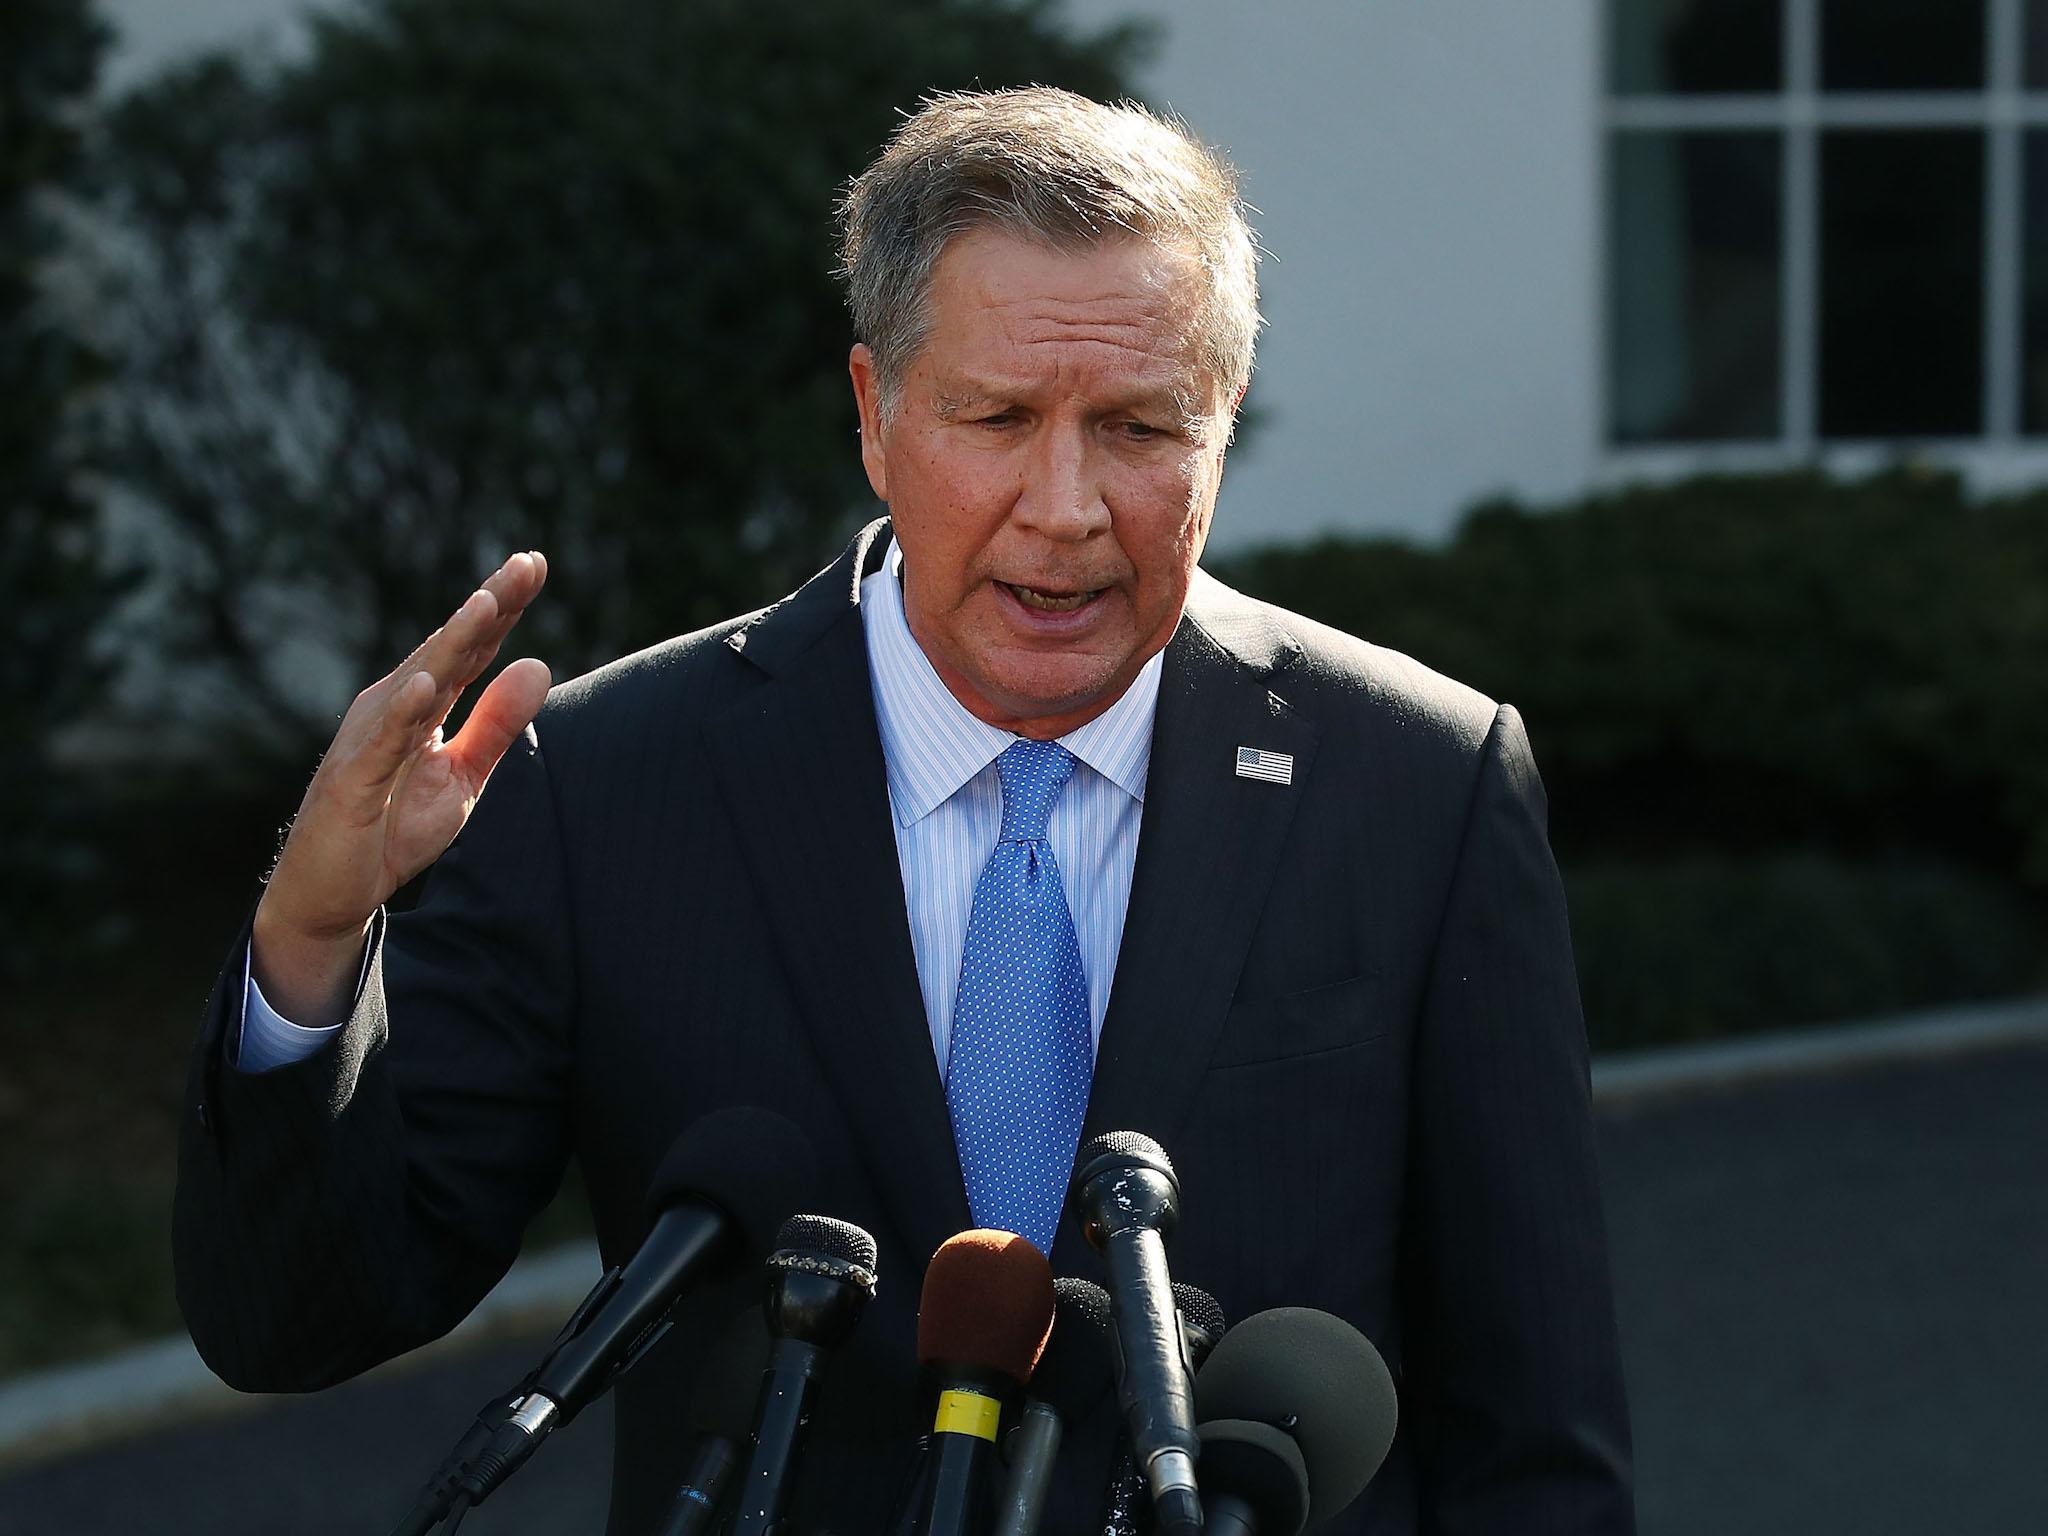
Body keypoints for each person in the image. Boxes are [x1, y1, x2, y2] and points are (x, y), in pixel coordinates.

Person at [175, 88, 1634, 1534]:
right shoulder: (612, 780)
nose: (1063, 507)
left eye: (1138, 428)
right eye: (996, 418)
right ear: (876, 416)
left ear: (1223, 425)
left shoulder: (1417, 785)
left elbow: (1536, 1439)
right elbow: (299, 1322)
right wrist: (312, 938)